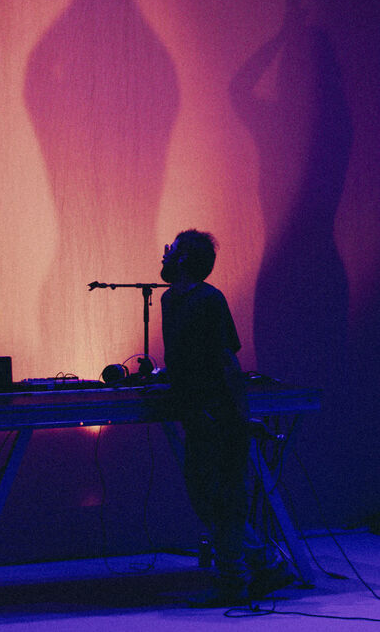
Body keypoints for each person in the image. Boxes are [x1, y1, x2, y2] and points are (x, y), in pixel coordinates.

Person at [160, 229, 292, 606]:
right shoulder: (170, 300)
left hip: (218, 412)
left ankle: (234, 581)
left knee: (225, 498)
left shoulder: (209, 299)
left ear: (184, 259)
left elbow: (226, 361)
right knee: (205, 496)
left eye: (172, 249)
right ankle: (265, 563)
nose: (165, 253)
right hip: (196, 413)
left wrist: (241, 417)